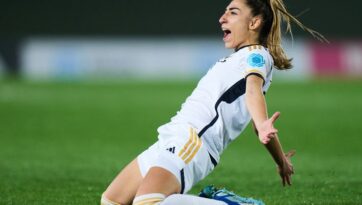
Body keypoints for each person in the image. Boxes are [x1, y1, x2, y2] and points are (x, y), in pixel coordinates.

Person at [101, 0, 325, 204]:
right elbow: (258, 122)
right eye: (225, 11)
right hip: (173, 135)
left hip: (193, 140)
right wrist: (281, 161)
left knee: (148, 202)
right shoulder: (237, 58)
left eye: (233, 12)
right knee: (112, 201)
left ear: (254, 22)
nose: (222, 18)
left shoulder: (257, 55)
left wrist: (262, 122)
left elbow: (253, 90)